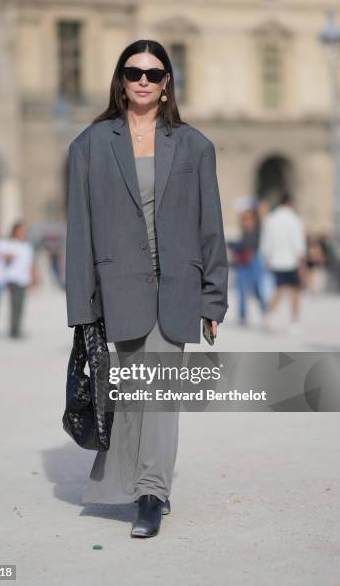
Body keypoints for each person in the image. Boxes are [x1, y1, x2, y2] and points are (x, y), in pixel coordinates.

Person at [65, 39, 229, 537]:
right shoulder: (89, 145)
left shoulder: (195, 145)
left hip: (177, 285)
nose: (142, 80)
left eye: (153, 74)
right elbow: (81, 230)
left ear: (166, 84)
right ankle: (139, 482)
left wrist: (213, 298)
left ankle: (152, 493)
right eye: (133, 72)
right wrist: (81, 303)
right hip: (119, 288)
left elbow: (211, 226)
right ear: (120, 80)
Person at [259, 192, 307, 333]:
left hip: (275, 260)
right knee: (295, 292)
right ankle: (294, 321)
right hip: (291, 261)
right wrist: (302, 262)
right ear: (290, 202)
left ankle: (270, 314)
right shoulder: (294, 219)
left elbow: (266, 241)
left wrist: (267, 257)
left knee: (278, 289)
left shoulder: (271, 219)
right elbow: (298, 242)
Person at [227, 207, 267, 325]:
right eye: (243, 219)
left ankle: (266, 311)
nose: (245, 221)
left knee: (256, 289)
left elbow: (245, 245)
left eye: (247, 218)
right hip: (242, 262)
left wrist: (232, 244)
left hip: (254, 261)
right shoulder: (244, 231)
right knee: (241, 289)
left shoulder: (257, 230)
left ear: (254, 219)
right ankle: (242, 316)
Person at [0, 220, 37, 339]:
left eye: (24, 230)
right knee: (14, 304)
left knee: (20, 305)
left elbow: (31, 263)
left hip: (23, 279)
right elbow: (0, 256)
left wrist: (34, 278)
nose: (23, 232)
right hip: (12, 278)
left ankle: (17, 328)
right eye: (20, 230)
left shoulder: (27, 246)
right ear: (15, 231)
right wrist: (7, 257)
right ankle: (13, 330)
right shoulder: (8, 244)